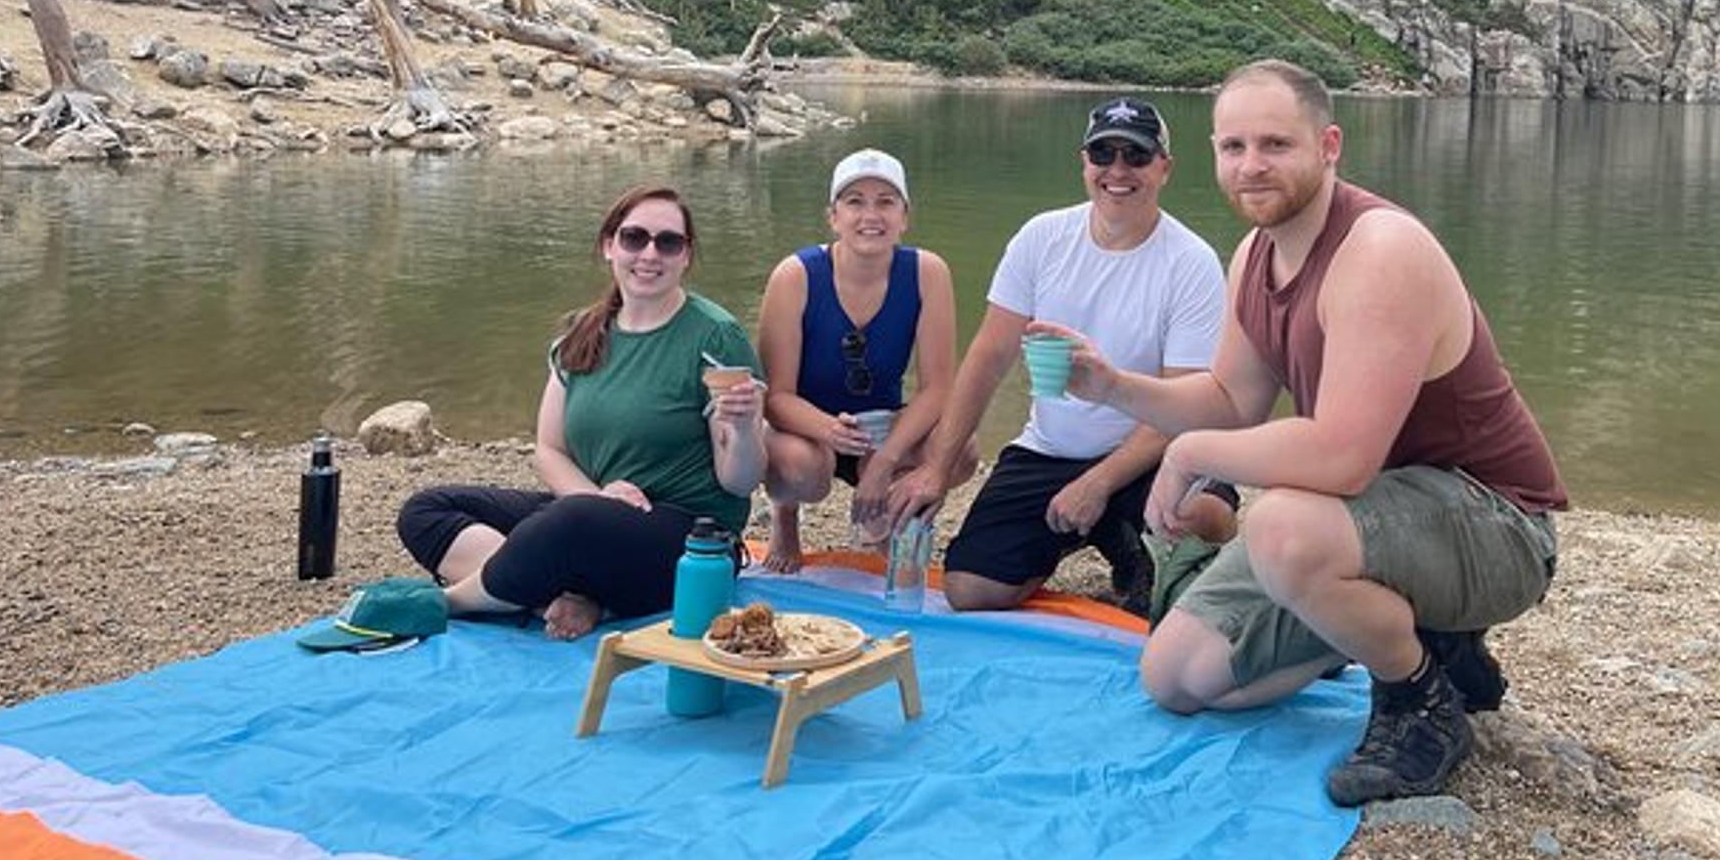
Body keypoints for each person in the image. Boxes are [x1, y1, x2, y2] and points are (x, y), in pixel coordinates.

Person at [1048, 60, 1567, 805]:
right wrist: (1111, 385)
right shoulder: (1255, 255)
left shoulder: (1380, 249)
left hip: (1497, 524)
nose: (1251, 166)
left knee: (1283, 523)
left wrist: (1190, 455)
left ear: (1328, 145)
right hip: (1374, 522)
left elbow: (1343, 458)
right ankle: (1415, 634)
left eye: (1274, 144)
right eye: (1233, 147)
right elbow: (1231, 398)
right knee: (1178, 674)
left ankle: (1419, 699)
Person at [886, 97, 1238, 614]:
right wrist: (936, 468)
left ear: (1164, 168)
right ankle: (1116, 537)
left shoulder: (1191, 262)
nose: (1118, 171)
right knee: (970, 590)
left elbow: (1182, 406)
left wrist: (1095, 483)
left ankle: (1135, 541)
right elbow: (987, 358)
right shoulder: (1042, 237)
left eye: (1136, 157)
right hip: (1051, 448)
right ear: (1084, 163)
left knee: (1203, 515)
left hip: (1152, 453)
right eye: (1104, 154)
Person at [396, 185, 767, 641]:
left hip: (687, 537)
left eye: (668, 242)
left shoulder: (715, 337)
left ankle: (449, 603)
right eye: (634, 238)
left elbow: (739, 483)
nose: (650, 254)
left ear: (686, 256)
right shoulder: (582, 333)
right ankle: (552, 602)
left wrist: (747, 428)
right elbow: (549, 450)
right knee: (427, 508)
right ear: (609, 245)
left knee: (565, 525)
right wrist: (596, 496)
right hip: (594, 512)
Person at [754, 148, 962, 573]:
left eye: (886, 202)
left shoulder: (928, 272)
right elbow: (775, 397)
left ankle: (890, 514)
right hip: (807, 423)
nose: (872, 215)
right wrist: (827, 430)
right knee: (804, 468)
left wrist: (885, 462)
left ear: (904, 216)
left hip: (881, 423)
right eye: (855, 202)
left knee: (962, 449)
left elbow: (938, 388)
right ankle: (784, 515)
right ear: (833, 216)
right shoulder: (795, 276)